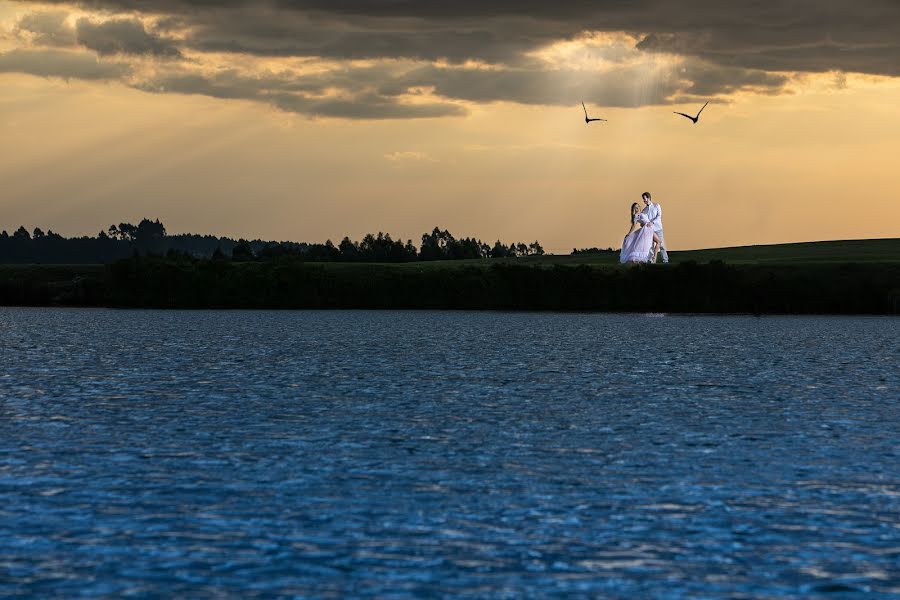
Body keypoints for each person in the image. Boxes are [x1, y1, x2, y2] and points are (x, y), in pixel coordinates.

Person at [640, 192, 668, 263]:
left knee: (661, 245)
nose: (644, 200)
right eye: (643, 199)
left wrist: (652, 222)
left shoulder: (656, 205)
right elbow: (644, 221)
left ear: (648, 198)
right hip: (650, 231)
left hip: (658, 229)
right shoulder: (644, 210)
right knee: (650, 246)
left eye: (644, 199)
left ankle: (665, 260)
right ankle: (651, 260)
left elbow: (659, 216)